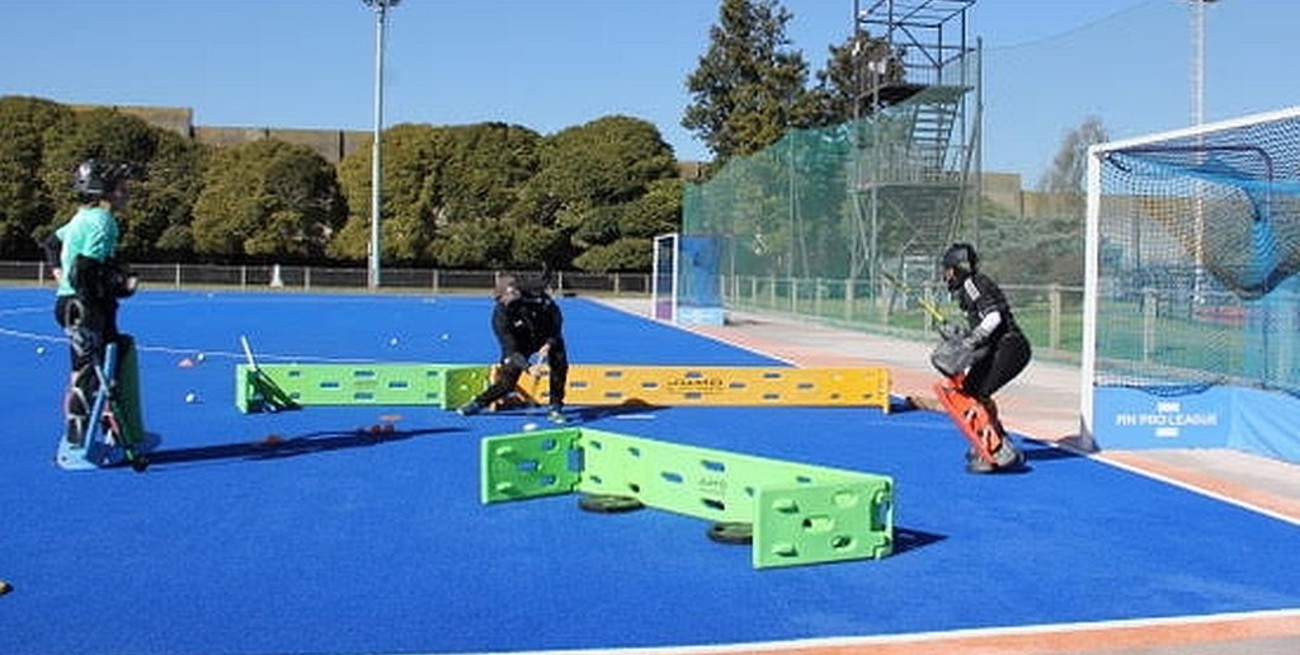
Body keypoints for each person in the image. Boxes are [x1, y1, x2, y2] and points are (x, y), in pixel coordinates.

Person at [43, 158, 139, 445]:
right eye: (122, 189)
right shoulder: (103, 221)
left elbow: (51, 242)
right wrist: (118, 282)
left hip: (70, 302)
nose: (126, 194)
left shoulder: (80, 216)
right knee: (96, 369)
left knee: (84, 368)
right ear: (106, 192)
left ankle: (81, 433)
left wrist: (61, 278)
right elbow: (87, 269)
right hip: (87, 306)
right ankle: (86, 430)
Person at [934, 242, 1030, 472]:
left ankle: (999, 448)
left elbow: (994, 317)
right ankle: (995, 439)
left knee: (975, 392)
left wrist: (971, 339)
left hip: (1010, 347)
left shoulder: (972, 284)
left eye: (948, 270)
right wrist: (959, 334)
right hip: (1000, 346)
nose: (946, 276)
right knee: (970, 389)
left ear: (957, 269)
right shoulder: (970, 288)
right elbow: (984, 324)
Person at [457, 274, 570, 423]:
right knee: (507, 381)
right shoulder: (500, 316)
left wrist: (549, 343)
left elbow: (556, 321)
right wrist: (528, 368)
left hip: (545, 334)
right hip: (519, 343)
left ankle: (555, 406)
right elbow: (510, 350)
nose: (504, 300)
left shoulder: (536, 299)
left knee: (559, 365)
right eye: (501, 298)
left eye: (511, 294)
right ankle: (479, 402)